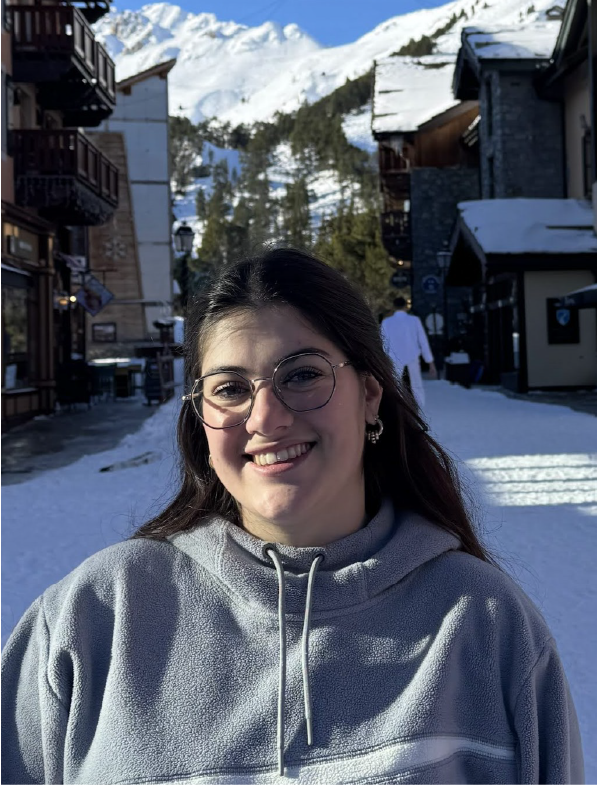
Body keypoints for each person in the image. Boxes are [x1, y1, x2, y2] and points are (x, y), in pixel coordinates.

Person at [2, 247, 583, 784]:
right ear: (199, 418)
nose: (265, 418)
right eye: (229, 388)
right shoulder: (97, 616)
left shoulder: (484, 624)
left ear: (371, 394)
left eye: (302, 375)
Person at [381, 295, 437, 410]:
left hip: (393, 356)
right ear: (406, 307)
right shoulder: (414, 320)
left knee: (394, 383)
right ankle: (420, 408)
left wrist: (382, 359)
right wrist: (430, 362)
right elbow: (423, 341)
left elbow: (382, 342)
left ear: (394, 307)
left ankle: (395, 407)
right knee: (416, 384)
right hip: (412, 355)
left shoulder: (387, 322)